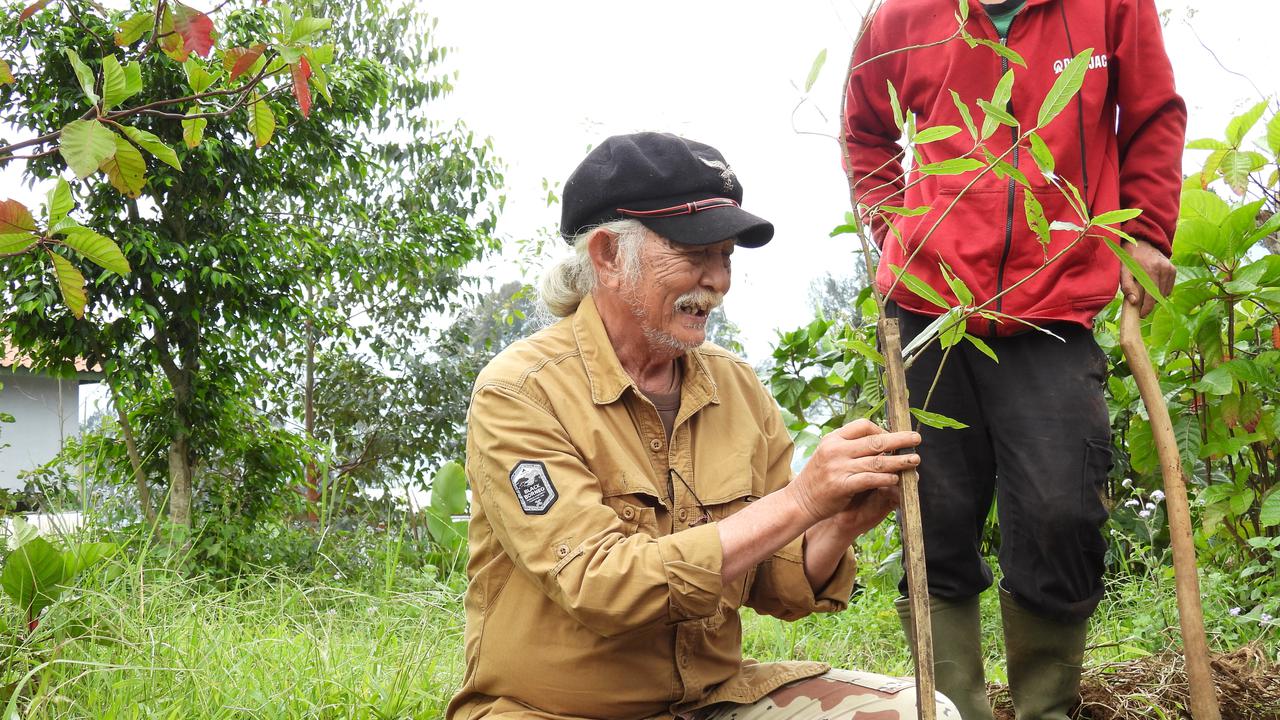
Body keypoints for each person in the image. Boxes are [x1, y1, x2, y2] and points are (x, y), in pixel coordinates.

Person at [447, 133, 958, 720]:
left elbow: (774, 579)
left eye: (726, 256)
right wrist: (801, 499)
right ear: (608, 256)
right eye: (695, 254)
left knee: (923, 711)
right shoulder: (520, 393)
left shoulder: (736, 387)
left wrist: (836, 520)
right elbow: (599, 584)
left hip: (709, 703)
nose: (718, 281)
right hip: (552, 711)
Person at [843, 0, 1185, 718]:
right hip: (930, 310)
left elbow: (1152, 112)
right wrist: (897, 225)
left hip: (1054, 303)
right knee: (931, 518)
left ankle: (1044, 710)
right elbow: (866, 130)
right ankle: (950, 709)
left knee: (1063, 513)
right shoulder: (900, 16)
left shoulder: (1112, 7)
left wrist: (1149, 230)